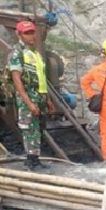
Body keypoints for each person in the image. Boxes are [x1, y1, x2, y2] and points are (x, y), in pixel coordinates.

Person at [8, 20, 55, 170]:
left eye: (32, 32)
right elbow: (17, 81)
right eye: (26, 33)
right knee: (29, 129)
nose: (31, 36)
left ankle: (35, 159)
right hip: (28, 98)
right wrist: (28, 103)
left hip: (40, 97)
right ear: (19, 34)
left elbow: (42, 78)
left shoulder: (35, 54)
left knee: (38, 129)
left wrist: (47, 99)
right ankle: (31, 161)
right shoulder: (17, 54)